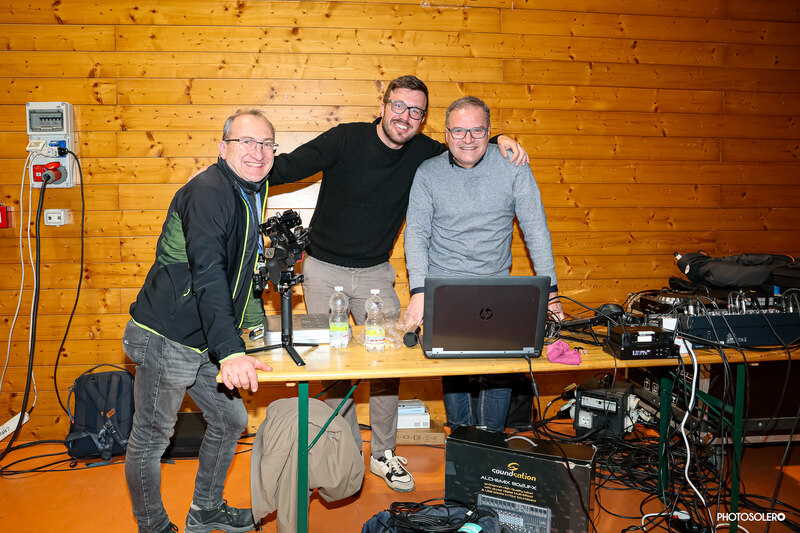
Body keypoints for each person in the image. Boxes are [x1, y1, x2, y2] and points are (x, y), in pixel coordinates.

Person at [267, 75, 528, 492]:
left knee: (388, 366)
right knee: (333, 366)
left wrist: (501, 140)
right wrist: (241, 167)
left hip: (376, 273)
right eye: (399, 106)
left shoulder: (423, 152)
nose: (405, 116)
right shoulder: (345, 139)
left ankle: (382, 454)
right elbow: (286, 168)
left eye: (416, 111)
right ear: (384, 105)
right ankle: (342, 451)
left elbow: (467, 144)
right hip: (323, 270)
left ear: (423, 120)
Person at [123, 109, 274, 533]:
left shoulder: (250, 190)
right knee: (151, 436)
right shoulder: (209, 193)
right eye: (246, 142)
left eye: (266, 144)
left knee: (230, 420)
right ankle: (153, 526)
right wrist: (230, 352)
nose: (258, 152)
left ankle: (206, 509)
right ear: (223, 148)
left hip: (204, 338)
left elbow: (243, 271)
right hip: (166, 336)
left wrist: (256, 331)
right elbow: (208, 274)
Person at [403, 96, 564, 432]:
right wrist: (419, 291)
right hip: (445, 288)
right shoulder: (427, 173)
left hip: (497, 288)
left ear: (489, 132)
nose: (468, 139)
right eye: (459, 131)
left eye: (477, 131)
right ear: (446, 134)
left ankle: (492, 441)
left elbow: (536, 230)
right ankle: (462, 439)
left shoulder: (513, 165)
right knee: (453, 372)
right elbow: (416, 235)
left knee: (499, 371)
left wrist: (551, 291)